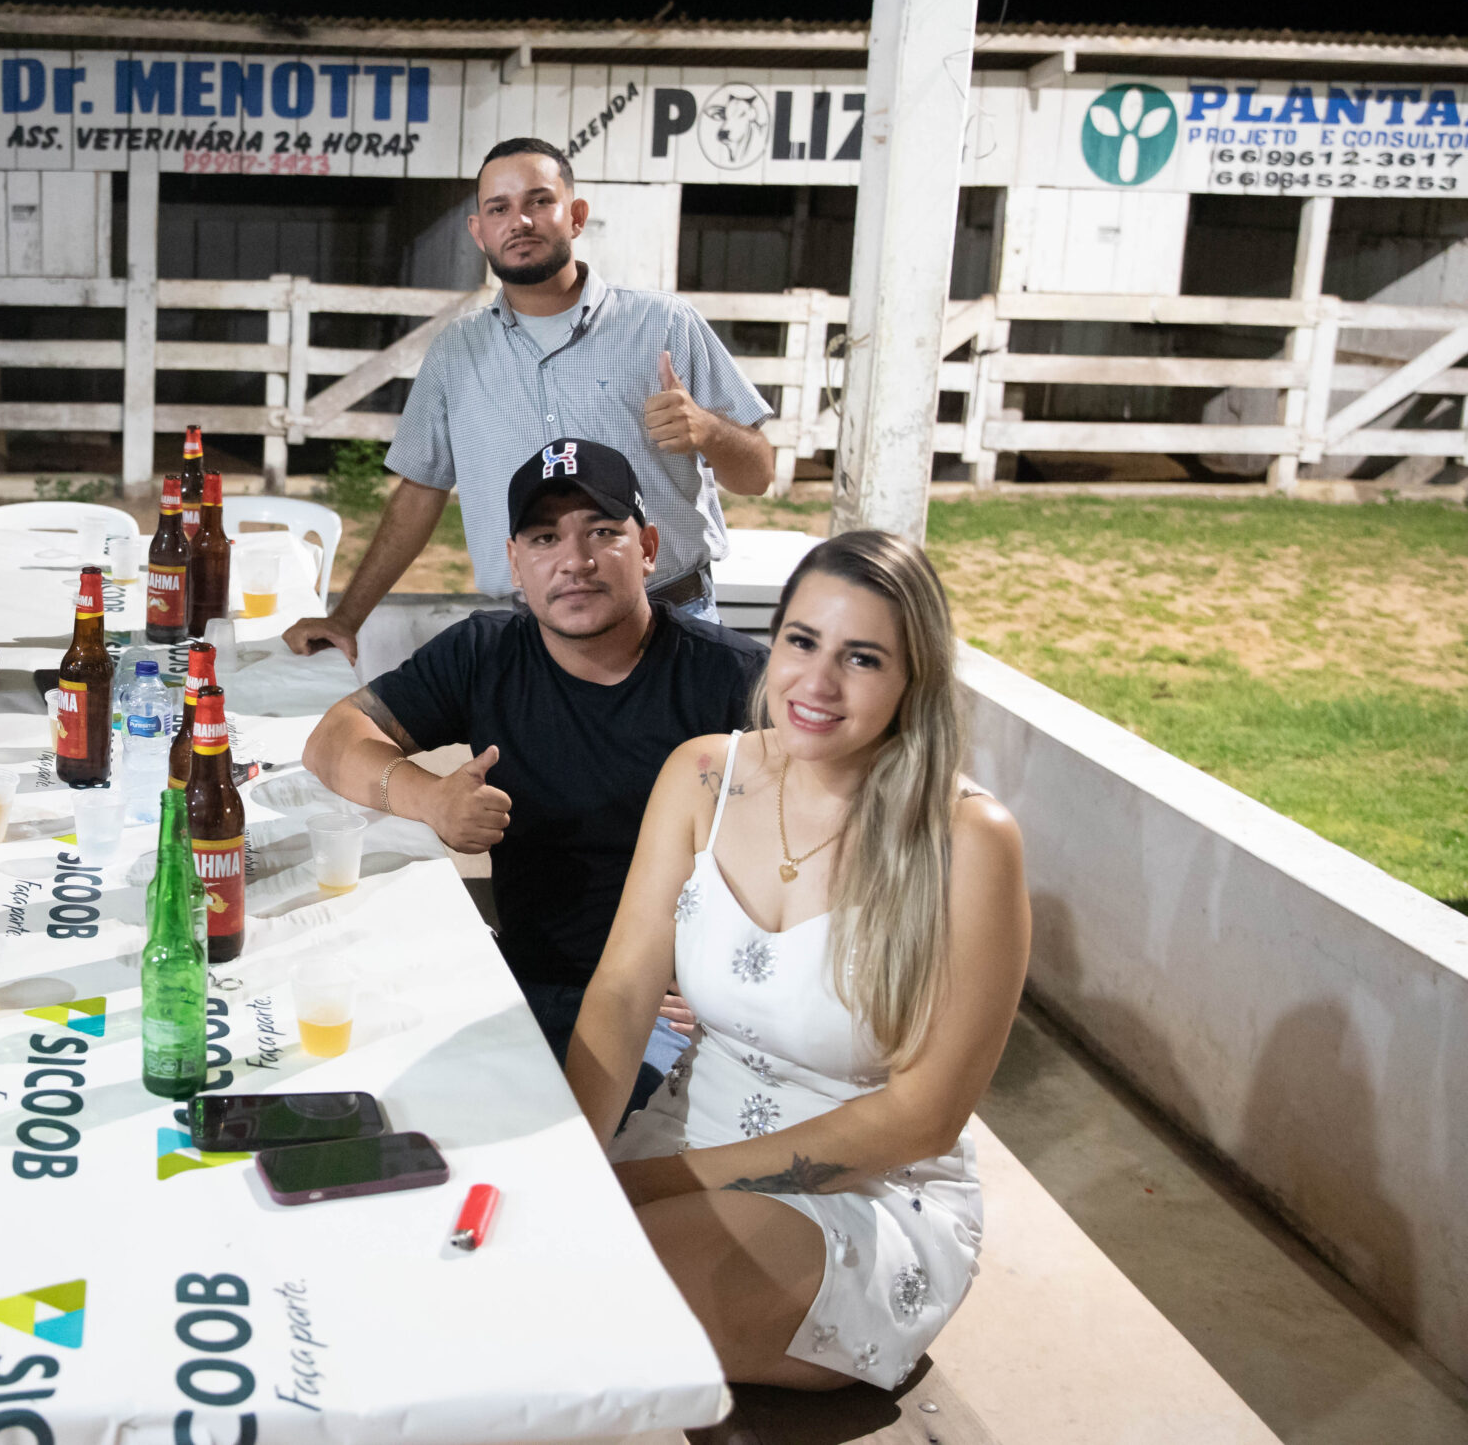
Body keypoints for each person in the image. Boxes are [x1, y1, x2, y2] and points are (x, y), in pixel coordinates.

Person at [565, 531, 1028, 1393]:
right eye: (802, 641)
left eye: (863, 658)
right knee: (531, 1267)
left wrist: (648, 1184)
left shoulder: (967, 840)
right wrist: (573, 1165)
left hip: (865, 1187)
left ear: (914, 680)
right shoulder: (703, 775)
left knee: (603, 1302)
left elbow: (923, 1117)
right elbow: (624, 989)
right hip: (679, 1135)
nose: (817, 683)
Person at [302, 438, 765, 1076]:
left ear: (649, 548)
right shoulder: (486, 652)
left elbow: (834, 849)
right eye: (545, 539)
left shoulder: (737, 680)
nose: (575, 561)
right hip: (516, 979)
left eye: (603, 531)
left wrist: (729, 975)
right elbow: (332, 738)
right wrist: (430, 799)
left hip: (665, 1006)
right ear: (516, 565)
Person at [285, 135, 775, 667]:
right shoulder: (456, 351)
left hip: (670, 626)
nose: (519, 221)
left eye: (539, 201)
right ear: (480, 232)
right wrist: (345, 618)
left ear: (576, 216)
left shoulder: (663, 325)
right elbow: (420, 491)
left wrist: (709, 430)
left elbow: (758, 475)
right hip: (535, 640)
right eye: (499, 209)